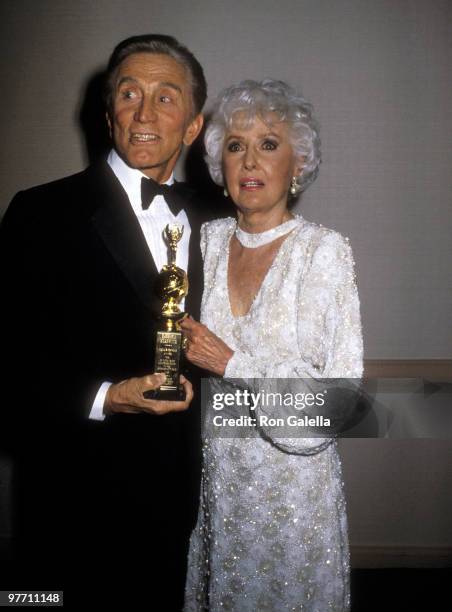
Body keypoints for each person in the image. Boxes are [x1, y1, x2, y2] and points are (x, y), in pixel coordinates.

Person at [1, 34, 208, 609]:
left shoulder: (217, 218)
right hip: (75, 503)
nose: (144, 113)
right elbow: (10, 369)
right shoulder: (40, 213)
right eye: (129, 93)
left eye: (166, 98)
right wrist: (107, 397)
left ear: (192, 126)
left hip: (182, 503)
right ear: (108, 111)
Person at [180, 79, 363, 610]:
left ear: (298, 162)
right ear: (220, 165)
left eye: (269, 143)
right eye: (236, 146)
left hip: (295, 496)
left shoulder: (324, 252)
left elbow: (335, 404)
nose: (250, 161)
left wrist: (232, 362)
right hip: (214, 487)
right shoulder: (203, 242)